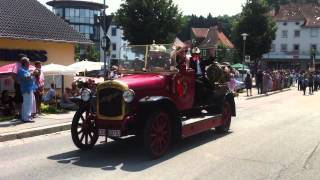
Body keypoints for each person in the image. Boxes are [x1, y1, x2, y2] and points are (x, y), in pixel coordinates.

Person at [17, 57, 35, 122]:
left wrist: (33, 75)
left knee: (28, 103)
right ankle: (26, 117)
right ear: (25, 63)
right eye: (28, 61)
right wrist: (32, 74)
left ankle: (26, 117)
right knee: (27, 103)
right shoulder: (21, 70)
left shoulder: (27, 70)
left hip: (30, 88)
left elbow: (31, 78)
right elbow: (25, 78)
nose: (29, 63)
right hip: (26, 89)